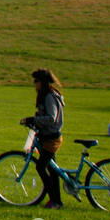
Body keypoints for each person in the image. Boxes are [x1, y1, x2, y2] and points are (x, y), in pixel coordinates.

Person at [20, 68, 65, 208]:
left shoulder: (49, 96)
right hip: (47, 137)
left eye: (36, 81)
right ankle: (56, 201)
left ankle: (55, 200)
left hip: (52, 138)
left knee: (41, 167)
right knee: (53, 170)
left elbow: (52, 118)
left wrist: (34, 119)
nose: (34, 84)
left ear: (43, 82)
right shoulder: (46, 95)